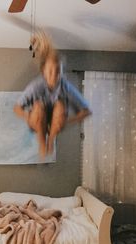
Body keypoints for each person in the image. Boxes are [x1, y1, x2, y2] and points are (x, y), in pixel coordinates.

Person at [14, 30, 91, 158]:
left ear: (61, 72)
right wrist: (28, 117)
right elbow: (17, 108)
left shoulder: (64, 85)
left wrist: (68, 121)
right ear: (43, 71)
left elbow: (87, 111)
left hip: (56, 122)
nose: (54, 75)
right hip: (37, 121)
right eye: (50, 71)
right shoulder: (36, 86)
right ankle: (42, 142)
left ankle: (51, 140)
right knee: (38, 106)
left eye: (58, 71)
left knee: (60, 104)